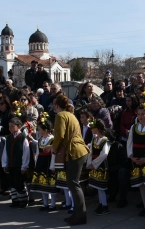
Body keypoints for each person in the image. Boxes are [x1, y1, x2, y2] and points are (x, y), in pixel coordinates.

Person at [45, 94, 90, 226]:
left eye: (54, 104)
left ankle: (81, 215)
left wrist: (53, 148)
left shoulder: (60, 115)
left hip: (73, 152)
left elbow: (60, 135)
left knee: (73, 184)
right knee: (73, 184)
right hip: (79, 151)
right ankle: (77, 213)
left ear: (57, 105)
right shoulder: (71, 115)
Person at [29, 114, 57, 211]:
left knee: (50, 185)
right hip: (41, 163)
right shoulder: (40, 139)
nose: (38, 131)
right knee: (42, 185)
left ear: (45, 130)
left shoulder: (53, 139)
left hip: (48, 163)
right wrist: (36, 164)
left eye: (40, 129)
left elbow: (54, 154)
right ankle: (45, 204)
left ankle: (53, 204)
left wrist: (53, 166)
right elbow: (37, 152)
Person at [1, 117, 30, 208]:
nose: (10, 128)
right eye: (9, 126)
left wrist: (24, 166)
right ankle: (15, 200)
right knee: (12, 183)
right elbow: (5, 152)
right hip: (11, 164)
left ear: (18, 126)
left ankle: (23, 200)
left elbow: (26, 153)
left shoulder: (22, 138)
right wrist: (5, 164)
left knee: (19, 183)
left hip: (19, 165)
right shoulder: (8, 138)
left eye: (13, 126)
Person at [87, 118, 111, 215]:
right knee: (97, 186)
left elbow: (104, 154)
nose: (91, 129)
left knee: (101, 187)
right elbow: (90, 152)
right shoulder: (94, 139)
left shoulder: (105, 140)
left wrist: (94, 163)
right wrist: (89, 163)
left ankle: (105, 206)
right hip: (94, 165)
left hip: (101, 166)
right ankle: (101, 204)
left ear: (97, 128)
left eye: (92, 127)